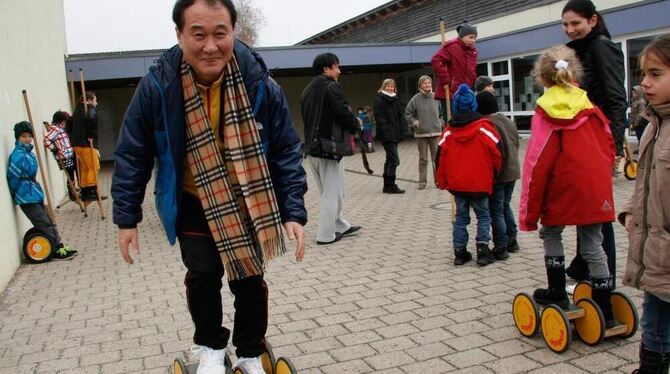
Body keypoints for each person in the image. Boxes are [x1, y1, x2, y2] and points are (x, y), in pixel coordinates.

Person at [111, 1, 307, 373]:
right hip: (191, 199)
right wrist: (126, 218)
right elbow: (133, 152)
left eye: (220, 33)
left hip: (248, 199)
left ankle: (250, 352)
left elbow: (285, 149)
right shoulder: (158, 85)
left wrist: (293, 210)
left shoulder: (259, 83)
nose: (210, 46)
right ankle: (211, 348)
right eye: (198, 34)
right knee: (203, 276)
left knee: (249, 278)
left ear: (233, 31)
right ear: (180, 35)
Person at [519, 45, 616, 326]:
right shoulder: (591, 107)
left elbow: (538, 163)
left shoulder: (545, 112)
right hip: (595, 186)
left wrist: (529, 212)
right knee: (592, 245)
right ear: (575, 72)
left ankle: (557, 292)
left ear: (542, 78)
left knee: (551, 232)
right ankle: (604, 305)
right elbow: (608, 146)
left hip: (562, 186)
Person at [562, 0, 623, 284]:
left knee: (597, 209)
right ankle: (582, 264)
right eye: (565, 24)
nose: (570, 29)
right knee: (585, 205)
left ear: (593, 21)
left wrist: (616, 145)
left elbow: (615, 97)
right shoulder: (575, 51)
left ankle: (603, 273)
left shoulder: (601, 47)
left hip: (599, 139)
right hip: (582, 138)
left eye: (576, 23)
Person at [619, 34, 670, 374]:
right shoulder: (654, 126)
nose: (645, 83)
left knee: (658, 325)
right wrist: (631, 212)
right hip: (657, 252)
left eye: (655, 74)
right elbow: (646, 184)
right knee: (654, 322)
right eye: (642, 74)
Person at [435, 84, 501, 267]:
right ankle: (482, 250)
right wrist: (494, 175)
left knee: (461, 218)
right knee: (483, 216)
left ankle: (460, 252)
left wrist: (442, 181)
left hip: (458, 185)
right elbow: (497, 153)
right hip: (480, 182)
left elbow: (439, 158)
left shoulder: (448, 131)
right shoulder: (485, 128)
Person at [301, 52, 362, 245]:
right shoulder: (331, 86)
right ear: (326, 68)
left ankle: (340, 225)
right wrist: (356, 124)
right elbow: (342, 112)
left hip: (312, 149)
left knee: (329, 191)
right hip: (329, 148)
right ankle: (326, 235)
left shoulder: (307, 90)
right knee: (333, 192)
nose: (339, 70)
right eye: (336, 66)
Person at [7, 121, 77, 261]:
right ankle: (55, 249)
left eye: (29, 136)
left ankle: (59, 245)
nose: (27, 139)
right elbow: (13, 178)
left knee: (49, 220)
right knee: (43, 222)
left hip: (34, 192)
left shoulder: (29, 154)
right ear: (17, 138)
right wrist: (18, 193)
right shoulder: (17, 156)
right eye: (23, 136)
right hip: (26, 196)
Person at [476, 90, 521, 258]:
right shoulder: (508, 121)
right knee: (505, 205)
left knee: (496, 210)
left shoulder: (488, 124)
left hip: (500, 174)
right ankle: (512, 239)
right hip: (513, 170)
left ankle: (501, 245)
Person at [431, 21, 478, 120]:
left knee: (466, 122)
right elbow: (436, 60)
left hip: (465, 93)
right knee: (453, 122)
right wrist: (447, 81)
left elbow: (472, 71)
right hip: (451, 92)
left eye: (474, 38)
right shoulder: (452, 47)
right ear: (462, 36)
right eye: (470, 37)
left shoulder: (472, 51)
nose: (473, 40)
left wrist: (472, 85)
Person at [405, 75, 442, 190]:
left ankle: (439, 181)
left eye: (429, 83)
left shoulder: (436, 97)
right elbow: (408, 114)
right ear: (420, 85)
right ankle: (422, 182)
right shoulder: (415, 99)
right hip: (421, 134)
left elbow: (441, 113)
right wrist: (415, 123)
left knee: (436, 158)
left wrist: (441, 122)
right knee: (423, 159)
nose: (427, 85)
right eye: (425, 83)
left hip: (436, 132)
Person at [374, 78, 406, 194]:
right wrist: (387, 132)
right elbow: (379, 118)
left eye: (392, 86)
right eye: (388, 86)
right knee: (394, 160)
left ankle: (386, 185)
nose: (390, 88)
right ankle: (391, 185)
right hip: (386, 135)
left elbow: (400, 116)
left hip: (395, 133)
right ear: (383, 87)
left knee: (389, 158)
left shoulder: (395, 99)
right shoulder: (379, 99)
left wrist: (401, 130)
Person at [67, 91, 100, 201]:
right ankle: (91, 190)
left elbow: (69, 123)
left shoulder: (77, 110)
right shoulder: (89, 108)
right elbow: (92, 119)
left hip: (77, 144)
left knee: (85, 168)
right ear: (89, 100)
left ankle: (85, 190)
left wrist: (72, 138)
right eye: (95, 100)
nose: (96, 103)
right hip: (85, 143)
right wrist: (91, 135)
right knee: (93, 166)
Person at [44, 111, 77, 201]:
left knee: (73, 172)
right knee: (70, 174)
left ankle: (73, 189)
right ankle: (72, 192)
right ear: (61, 121)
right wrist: (54, 149)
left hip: (68, 154)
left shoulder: (61, 129)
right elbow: (46, 139)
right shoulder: (56, 129)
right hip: (63, 156)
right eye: (65, 121)